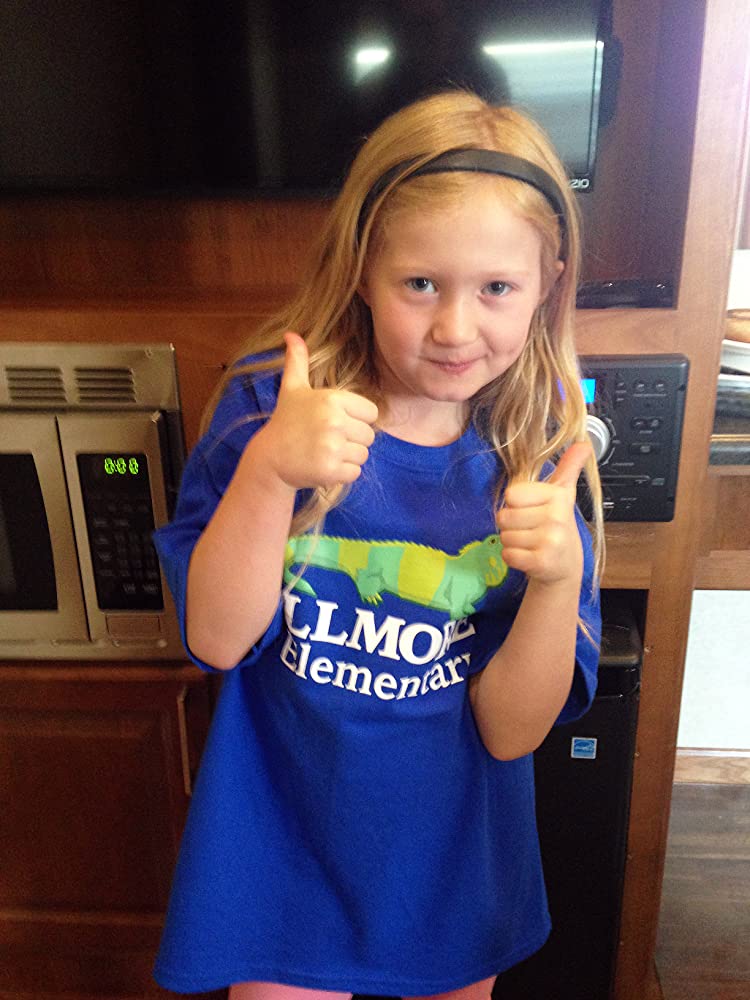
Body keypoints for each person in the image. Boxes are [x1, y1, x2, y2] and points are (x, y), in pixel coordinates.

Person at [152, 89, 603, 1000]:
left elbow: (513, 730)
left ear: (548, 284)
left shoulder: (542, 450)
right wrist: (270, 473)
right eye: (421, 283)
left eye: (496, 288)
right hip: (279, 855)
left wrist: (561, 582)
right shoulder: (267, 406)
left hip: (451, 866)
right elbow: (218, 639)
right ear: (362, 269)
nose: (455, 328)